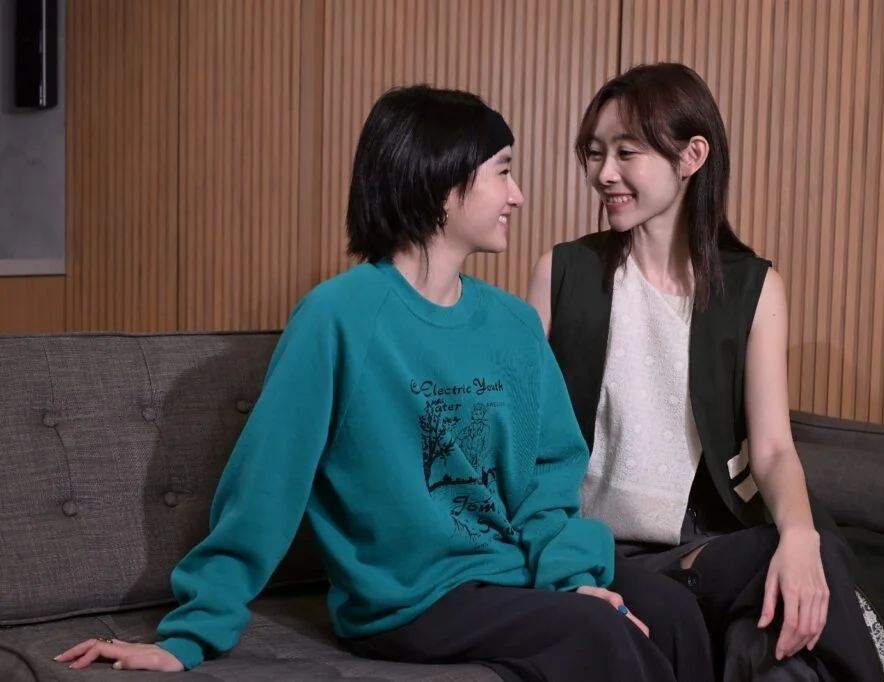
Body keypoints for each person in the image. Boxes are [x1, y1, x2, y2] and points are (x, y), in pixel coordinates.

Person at [54, 85, 715, 682]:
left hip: (512, 572)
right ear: (442, 180)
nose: (517, 195)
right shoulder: (338, 318)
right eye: (503, 172)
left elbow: (548, 476)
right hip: (411, 601)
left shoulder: (512, 324)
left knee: (674, 612)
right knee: (598, 630)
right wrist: (190, 635)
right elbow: (266, 483)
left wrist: (570, 578)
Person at [527, 62, 884, 682]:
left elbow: (772, 449)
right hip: (603, 548)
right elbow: (519, 441)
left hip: (707, 542)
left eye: (626, 153)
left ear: (692, 156)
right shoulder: (563, 273)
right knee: (785, 582)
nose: (604, 173)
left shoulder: (751, 288)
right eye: (595, 153)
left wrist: (801, 537)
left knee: (789, 602)